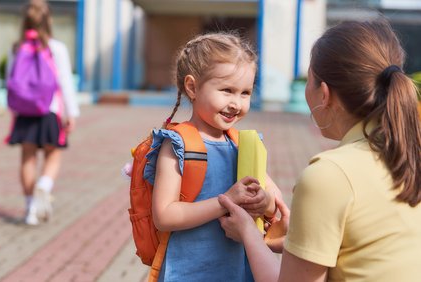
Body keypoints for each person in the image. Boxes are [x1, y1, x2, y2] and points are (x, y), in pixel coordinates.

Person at [218, 19, 421, 282]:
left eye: (309, 79)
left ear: (324, 93)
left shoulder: (330, 175)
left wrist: (248, 232)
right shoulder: (408, 153)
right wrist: (299, 239)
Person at [145, 32, 279, 281]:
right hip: (188, 271)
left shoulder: (243, 144)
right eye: (227, 90)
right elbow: (164, 216)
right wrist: (225, 201)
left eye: (245, 93)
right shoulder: (178, 145)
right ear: (192, 87)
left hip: (238, 271)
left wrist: (264, 202)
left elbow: (274, 204)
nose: (236, 103)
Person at [6, 0, 80, 226]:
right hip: (50, 111)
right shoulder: (56, 48)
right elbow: (65, 82)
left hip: (25, 112)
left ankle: (30, 209)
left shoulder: (16, 48)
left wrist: (14, 110)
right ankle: (44, 185)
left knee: (27, 158)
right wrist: (71, 112)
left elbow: (10, 80)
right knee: (53, 154)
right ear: (48, 20)